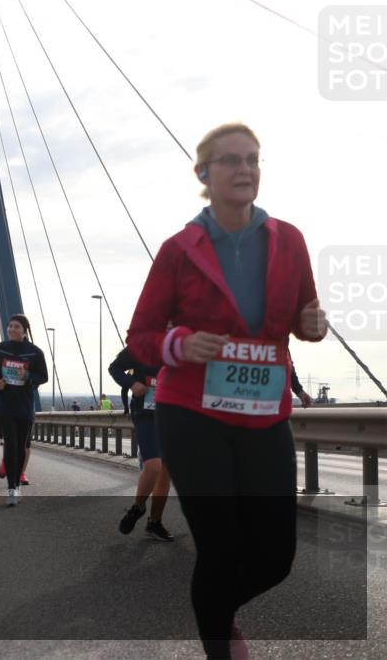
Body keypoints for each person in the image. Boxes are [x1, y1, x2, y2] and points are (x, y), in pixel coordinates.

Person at [127, 123, 327, 658]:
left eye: (253, 160)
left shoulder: (289, 241)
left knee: (275, 557)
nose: (245, 170)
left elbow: (305, 322)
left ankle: (214, 610)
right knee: (219, 549)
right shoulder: (179, 249)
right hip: (193, 415)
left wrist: (313, 326)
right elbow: (141, 336)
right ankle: (220, 638)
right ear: (204, 174)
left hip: (265, 417)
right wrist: (179, 344)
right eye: (232, 161)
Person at [108, 347, 172, 541]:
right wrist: (132, 383)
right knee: (153, 466)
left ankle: (155, 522)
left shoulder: (183, 343)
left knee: (165, 472)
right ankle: (138, 507)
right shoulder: (142, 345)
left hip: (171, 414)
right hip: (145, 414)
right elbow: (115, 368)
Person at [0, 314, 47, 507]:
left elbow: (43, 376)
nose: (12, 329)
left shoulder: (34, 352)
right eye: (10, 326)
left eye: (16, 327)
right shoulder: (0, 348)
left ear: (24, 330)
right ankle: (12, 487)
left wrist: (28, 375)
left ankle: (16, 485)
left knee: (21, 446)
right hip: (5, 405)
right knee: (11, 445)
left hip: (24, 406)